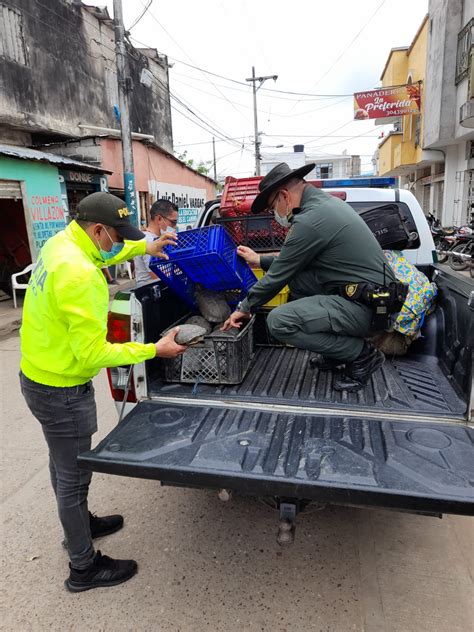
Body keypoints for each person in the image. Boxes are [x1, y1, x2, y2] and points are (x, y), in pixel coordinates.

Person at [19, 192, 187, 592]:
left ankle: (80, 524)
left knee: (63, 467)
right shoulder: (80, 276)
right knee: (72, 477)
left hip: (38, 375)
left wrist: (147, 244)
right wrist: (155, 349)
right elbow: (94, 353)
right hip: (61, 388)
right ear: (97, 230)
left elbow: (107, 254)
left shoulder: (63, 244)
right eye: (115, 234)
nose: (117, 242)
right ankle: (83, 567)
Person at [222, 162, 399, 392]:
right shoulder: (326, 206)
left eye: (272, 206)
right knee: (299, 280)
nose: (274, 214)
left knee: (278, 322)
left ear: (284, 196)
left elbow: (278, 276)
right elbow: (293, 263)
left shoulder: (310, 221)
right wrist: (260, 260)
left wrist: (244, 307)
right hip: (367, 300)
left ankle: (362, 355)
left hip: (369, 308)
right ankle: (335, 352)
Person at [134, 199, 179, 288]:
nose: (175, 226)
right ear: (159, 219)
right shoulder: (148, 240)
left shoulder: (158, 239)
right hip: (149, 291)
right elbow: (156, 274)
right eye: (173, 222)